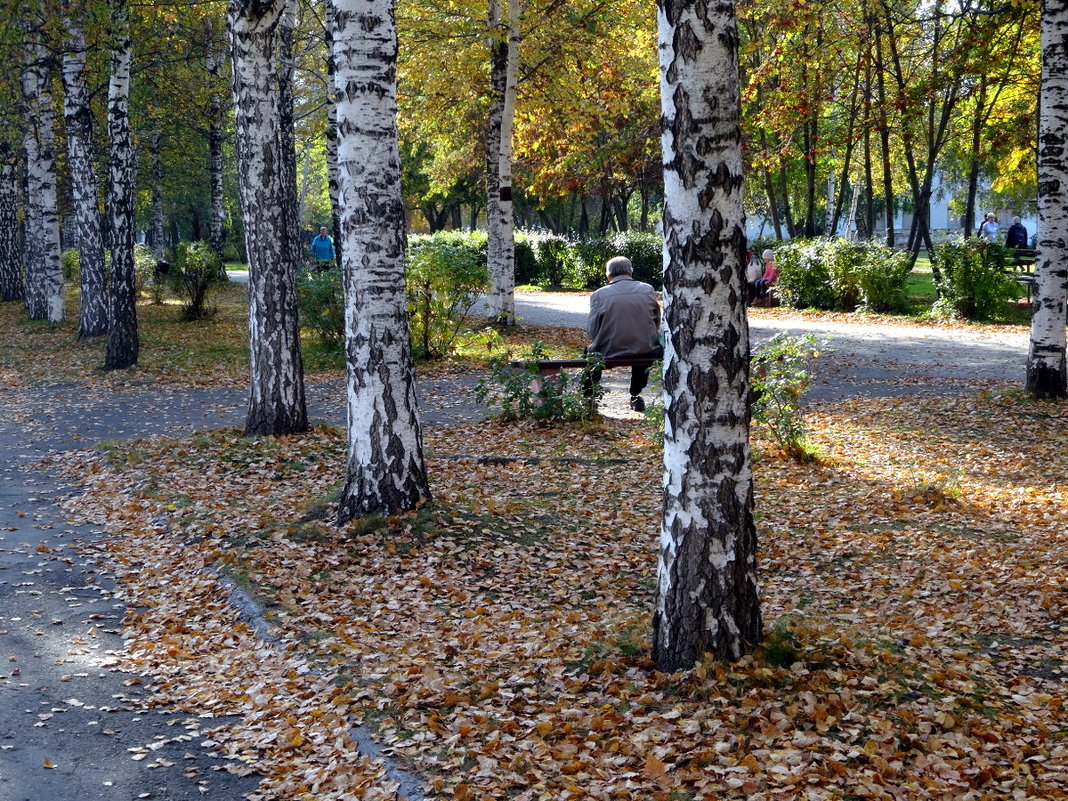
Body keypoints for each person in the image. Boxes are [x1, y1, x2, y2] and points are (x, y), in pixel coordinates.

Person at [585, 256, 662, 412]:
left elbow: (592, 329)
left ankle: (589, 396)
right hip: (644, 350)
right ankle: (635, 394)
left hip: (609, 351)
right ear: (630, 272)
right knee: (645, 346)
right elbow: (656, 321)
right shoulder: (647, 289)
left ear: (608, 276)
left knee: (590, 354)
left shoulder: (599, 295)